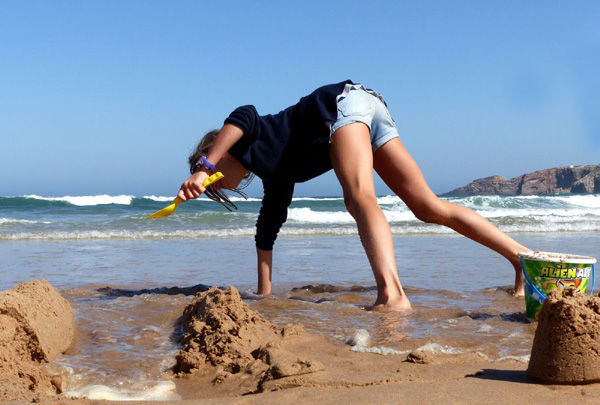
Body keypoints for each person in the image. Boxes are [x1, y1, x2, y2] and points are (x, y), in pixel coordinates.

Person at [178, 80, 528, 311]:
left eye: (211, 179)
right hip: (367, 107)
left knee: (359, 198)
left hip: (342, 106)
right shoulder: (274, 173)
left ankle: (392, 296)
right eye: (212, 187)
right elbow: (267, 230)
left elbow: (243, 114)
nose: (214, 186)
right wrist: (264, 296)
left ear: (218, 152)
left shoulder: (250, 135)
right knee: (427, 207)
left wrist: (204, 168)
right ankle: (525, 260)